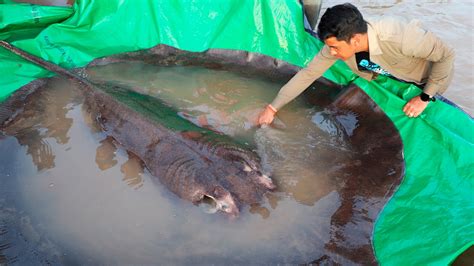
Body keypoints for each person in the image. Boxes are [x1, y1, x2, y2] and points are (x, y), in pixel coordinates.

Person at [258, 3, 455, 125]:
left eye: (334, 47)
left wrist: (425, 97)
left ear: (355, 40)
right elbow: (308, 74)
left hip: (424, 80)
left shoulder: (398, 35)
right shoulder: (339, 43)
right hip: (387, 77)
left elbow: (446, 56)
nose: (331, 53)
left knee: (425, 119)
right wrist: (273, 107)